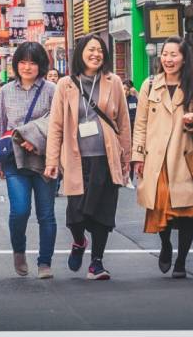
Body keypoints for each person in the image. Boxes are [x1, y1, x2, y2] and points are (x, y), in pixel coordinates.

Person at [44, 34, 133, 280]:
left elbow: (123, 122)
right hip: (76, 159)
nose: (96, 54)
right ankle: (79, 241)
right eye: (91, 50)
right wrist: (52, 161)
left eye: (100, 50)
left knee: (103, 214)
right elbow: (56, 125)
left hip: (106, 158)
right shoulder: (66, 84)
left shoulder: (113, 81)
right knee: (76, 215)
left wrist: (128, 157)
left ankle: (97, 263)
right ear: (80, 52)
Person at [132, 37, 193, 279]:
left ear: (184, 58)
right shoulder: (150, 84)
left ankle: (182, 261)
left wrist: (192, 121)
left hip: (185, 158)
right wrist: (137, 155)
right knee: (161, 209)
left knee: (187, 212)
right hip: (156, 159)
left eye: (174, 55)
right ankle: (165, 245)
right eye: (165, 54)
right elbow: (141, 124)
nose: (168, 59)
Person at [0, 42, 58, 279]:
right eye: (22, 61)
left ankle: (45, 262)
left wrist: (36, 140)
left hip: (44, 157)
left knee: (46, 214)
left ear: (41, 64)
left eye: (33, 62)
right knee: (19, 210)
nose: (27, 67)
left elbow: (57, 122)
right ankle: (19, 250)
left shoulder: (52, 89)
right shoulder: (5, 91)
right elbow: (1, 125)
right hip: (14, 158)